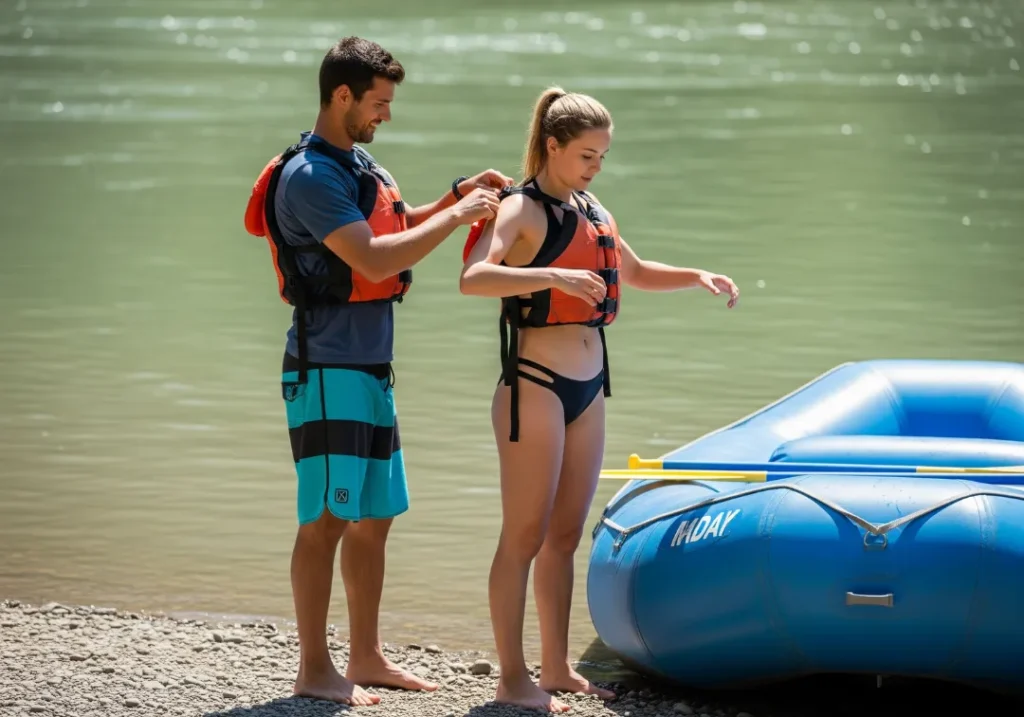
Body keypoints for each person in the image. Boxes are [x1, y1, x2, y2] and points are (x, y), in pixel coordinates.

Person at [243, 36, 511, 706]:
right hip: (327, 365)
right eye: (379, 103)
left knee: (375, 515)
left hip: (369, 365)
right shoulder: (310, 176)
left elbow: (396, 225)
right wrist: (459, 216)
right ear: (342, 96)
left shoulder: (358, 164)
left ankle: (365, 654)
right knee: (327, 520)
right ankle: (313, 668)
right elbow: (372, 260)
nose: (386, 115)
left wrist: (456, 194)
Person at [458, 87, 740, 713]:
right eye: (586, 155)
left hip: (588, 387)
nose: (595, 168)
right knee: (523, 536)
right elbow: (473, 276)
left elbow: (633, 272)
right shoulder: (520, 210)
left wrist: (695, 275)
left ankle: (555, 668)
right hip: (534, 383)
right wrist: (551, 275)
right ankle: (511, 678)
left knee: (564, 536)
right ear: (552, 147)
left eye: (603, 157)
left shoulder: (591, 206)